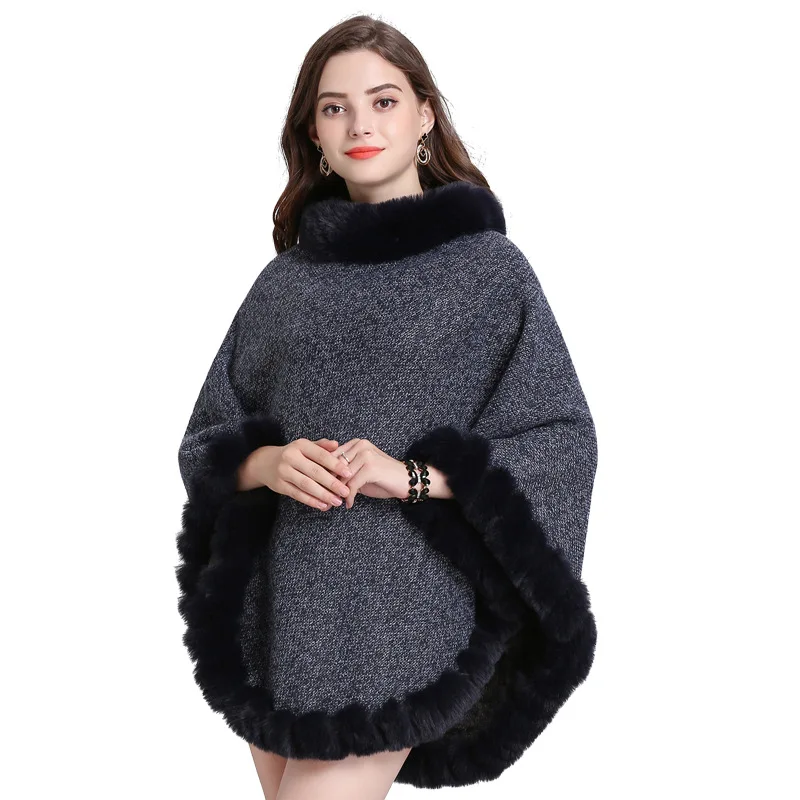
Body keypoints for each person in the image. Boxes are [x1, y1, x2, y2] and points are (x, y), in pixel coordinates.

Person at [176, 14, 599, 800]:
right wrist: (269, 462)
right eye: (334, 107)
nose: (360, 125)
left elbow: (561, 440)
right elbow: (207, 439)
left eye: (383, 100)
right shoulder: (284, 283)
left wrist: (410, 478)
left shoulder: (487, 272)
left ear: (425, 115)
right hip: (283, 612)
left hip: (401, 613)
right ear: (313, 133)